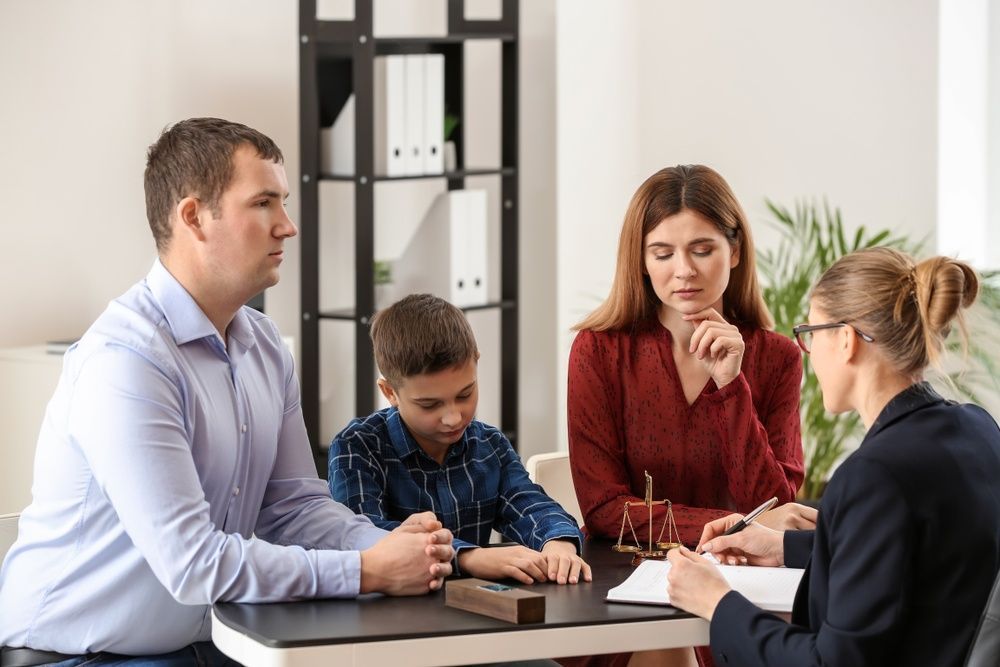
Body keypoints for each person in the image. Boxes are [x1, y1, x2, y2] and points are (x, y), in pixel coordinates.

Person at [0, 118, 454, 666]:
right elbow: (193, 563)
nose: (287, 226)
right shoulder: (126, 363)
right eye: (263, 203)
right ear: (193, 217)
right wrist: (368, 570)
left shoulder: (263, 345)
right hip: (78, 658)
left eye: (283, 203)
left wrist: (388, 546)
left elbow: (294, 508)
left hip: (209, 642)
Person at [666, 247, 1000, 666]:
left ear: (845, 339)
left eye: (810, 332)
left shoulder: (875, 475)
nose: (809, 353)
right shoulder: (978, 429)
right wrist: (782, 547)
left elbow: (830, 663)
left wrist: (717, 601)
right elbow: (911, 555)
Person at [568, 164, 815, 551]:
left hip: (742, 572)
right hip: (625, 573)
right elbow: (603, 507)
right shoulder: (599, 350)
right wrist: (733, 525)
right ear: (642, 262)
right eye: (663, 254)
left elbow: (773, 506)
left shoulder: (777, 357)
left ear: (734, 251)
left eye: (702, 250)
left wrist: (731, 386)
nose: (684, 270)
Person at [329, 293, 592, 586]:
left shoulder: (489, 445)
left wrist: (557, 542)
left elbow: (528, 503)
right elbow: (364, 537)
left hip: (476, 614)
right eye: (430, 405)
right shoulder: (357, 448)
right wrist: (467, 557)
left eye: (465, 394)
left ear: (476, 363)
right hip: (391, 619)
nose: (453, 418)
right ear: (390, 392)